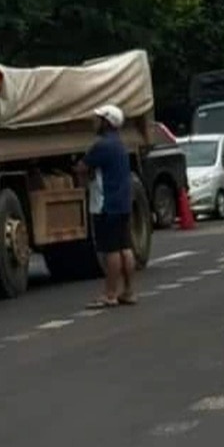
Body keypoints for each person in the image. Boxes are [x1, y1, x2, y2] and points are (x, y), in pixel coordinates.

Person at [78, 104, 136, 309]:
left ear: (106, 122)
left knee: (110, 250)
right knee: (125, 248)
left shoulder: (101, 146)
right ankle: (128, 291)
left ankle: (110, 293)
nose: (93, 122)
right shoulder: (120, 144)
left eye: (98, 118)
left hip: (106, 204)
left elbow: (83, 167)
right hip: (122, 203)